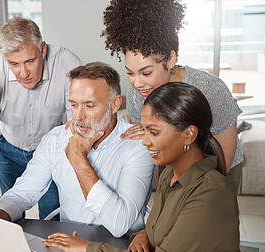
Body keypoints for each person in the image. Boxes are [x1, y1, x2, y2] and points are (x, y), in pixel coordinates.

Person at [0, 62, 154, 252]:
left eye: (89, 105)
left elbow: (119, 225)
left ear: (115, 104)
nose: (79, 116)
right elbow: (21, 194)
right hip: (69, 244)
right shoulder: (56, 139)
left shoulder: (138, 144)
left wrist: (78, 160)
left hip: (118, 249)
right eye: (74, 105)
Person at [42, 82, 246, 252]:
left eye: (154, 132)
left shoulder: (211, 191)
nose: (145, 141)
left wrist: (88, 249)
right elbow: (164, 228)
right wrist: (142, 235)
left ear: (189, 134)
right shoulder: (170, 175)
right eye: (144, 131)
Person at [100, 0, 243, 194]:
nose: (137, 83)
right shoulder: (137, 94)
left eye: (146, 73)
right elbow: (149, 141)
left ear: (171, 59)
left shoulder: (211, 90)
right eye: (130, 73)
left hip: (218, 169)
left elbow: (224, 158)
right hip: (171, 165)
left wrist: (208, 194)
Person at [0, 17, 82, 220]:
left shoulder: (67, 63)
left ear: (42, 49)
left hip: (51, 148)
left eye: (30, 61)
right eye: (14, 64)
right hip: (6, 147)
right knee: (10, 213)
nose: (23, 73)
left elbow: (76, 123)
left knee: (51, 215)